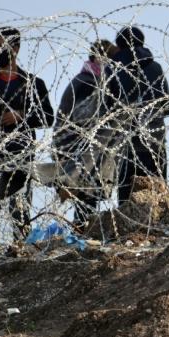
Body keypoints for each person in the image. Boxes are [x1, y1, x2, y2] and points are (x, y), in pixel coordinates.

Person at [0, 27, 54, 245]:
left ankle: (21, 254)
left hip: (20, 158)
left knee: (20, 212)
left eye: (1, 47)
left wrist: (21, 116)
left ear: (15, 48)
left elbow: (48, 117)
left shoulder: (33, 83)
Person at [52, 39, 116, 232]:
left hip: (80, 147)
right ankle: (82, 232)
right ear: (98, 58)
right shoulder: (88, 82)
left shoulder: (87, 80)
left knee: (86, 195)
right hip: (81, 147)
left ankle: (83, 231)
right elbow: (82, 115)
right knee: (85, 195)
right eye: (110, 60)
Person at [107, 26, 169, 204]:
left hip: (127, 143)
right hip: (155, 141)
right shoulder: (156, 67)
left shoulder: (112, 69)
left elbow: (106, 107)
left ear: (119, 45)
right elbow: (166, 107)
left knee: (127, 201)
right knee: (156, 197)